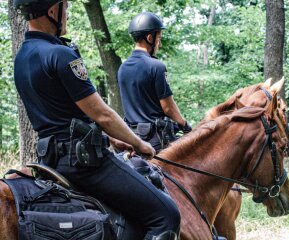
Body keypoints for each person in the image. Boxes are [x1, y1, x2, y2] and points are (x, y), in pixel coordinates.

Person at [13, 1, 180, 239]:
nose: (67, 15)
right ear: (52, 11)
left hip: (50, 161)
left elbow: (61, 114)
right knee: (166, 214)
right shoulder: (60, 54)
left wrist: (111, 138)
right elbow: (102, 113)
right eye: (66, 9)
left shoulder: (22, 57)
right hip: (85, 165)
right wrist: (140, 144)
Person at [117, 12, 192, 152]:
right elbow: (168, 108)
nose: (160, 44)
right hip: (155, 141)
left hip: (131, 139)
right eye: (159, 38)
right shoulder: (156, 66)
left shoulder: (122, 68)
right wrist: (185, 125)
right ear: (150, 38)